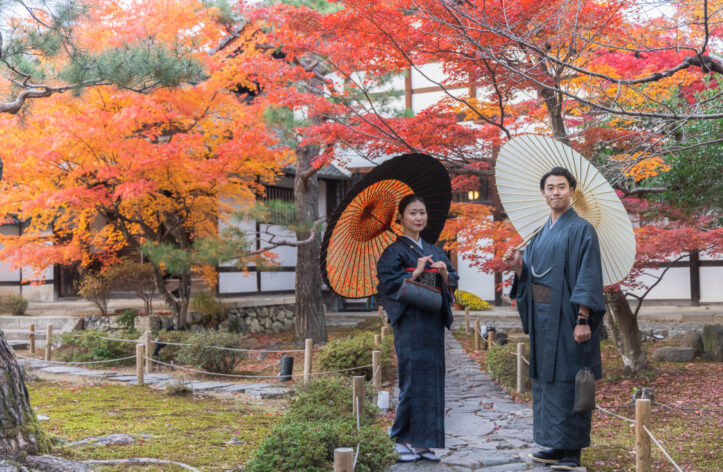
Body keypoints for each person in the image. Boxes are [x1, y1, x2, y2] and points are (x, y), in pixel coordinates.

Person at [504, 167, 605, 470]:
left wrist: (583, 319)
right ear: (543, 193)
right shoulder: (537, 236)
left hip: (569, 316)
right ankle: (555, 444)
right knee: (547, 381)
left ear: (571, 190)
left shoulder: (582, 229)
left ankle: (572, 451)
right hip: (543, 319)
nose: (555, 192)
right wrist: (517, 268)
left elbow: (589, 275)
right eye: (550, 187)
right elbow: (533, 280)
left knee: (570, 378)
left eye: (561, 186)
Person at [376, 194, 459, 463]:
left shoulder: (434, 250)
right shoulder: (393, 252)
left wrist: (445, 274)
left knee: (433, 381)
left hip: (432, 323)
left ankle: (424, 443)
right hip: (411, 323)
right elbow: (388, 285)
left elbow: (452, 283)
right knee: (411, 380)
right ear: (401, 218)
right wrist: (414, 272)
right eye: (412, 213)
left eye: (422, 212)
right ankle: (401, 438)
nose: (418, 218)